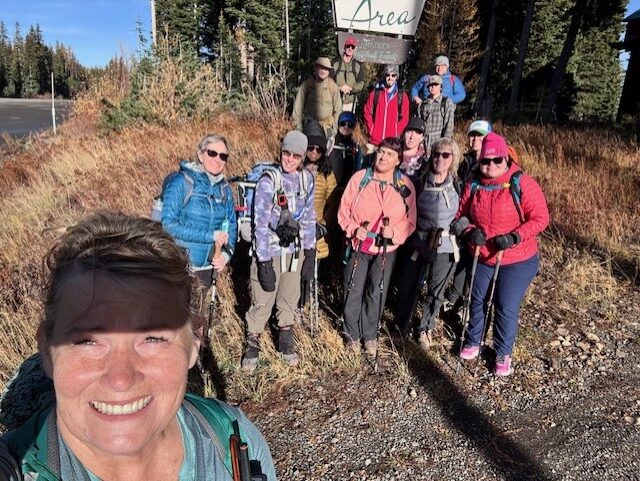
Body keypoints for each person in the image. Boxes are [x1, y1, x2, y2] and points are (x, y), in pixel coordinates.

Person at [0, 212, 277, 480]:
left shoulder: (236, 439)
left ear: (195, 341)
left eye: (153, 338)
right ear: (47, 350)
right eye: (87, 341)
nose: (121, 379)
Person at [453, 132, 549, 377]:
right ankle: (474, 340)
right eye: (486, 161)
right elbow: (460, 216)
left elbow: (540, 218)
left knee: (505, 305)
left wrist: (515, 237)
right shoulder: (474, 184)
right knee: (477, 298)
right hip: (483, 254)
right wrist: (469, 231)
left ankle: (503, 352)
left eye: (497, 160)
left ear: (506, 159)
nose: (491, 165)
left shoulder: (522, 183)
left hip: (517, 259)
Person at [242, 131, 316, 372]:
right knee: (262, 299)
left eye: (296, 155)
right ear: (281, 151)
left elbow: (309, 217)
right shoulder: (268, 181)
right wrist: (263, 262)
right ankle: (253, 344)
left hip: (294, 252)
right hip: (270, 251)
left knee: (289, 297)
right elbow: (260, 224)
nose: (290, 159)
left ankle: (285, 342)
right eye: (286, 153)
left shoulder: (306, 180)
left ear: (303, 157)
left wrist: (310, 251)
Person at [338, 137, 417, 354]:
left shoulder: (405, 185)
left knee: (376, 291)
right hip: (358, 244)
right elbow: (343, 211)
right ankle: (351, 334)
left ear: (398, 160)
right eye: (381, 152)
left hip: (386, 248)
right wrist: (354, 229)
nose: (383, 157)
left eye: (390, 154)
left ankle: (370, 335)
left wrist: (395, 233)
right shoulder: (360, 178)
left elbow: (410, 220)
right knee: (353, 289)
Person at [392, 138, 462, 347]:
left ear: (453, 159)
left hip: (446, 244)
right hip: (420, 241)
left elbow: (466, 209)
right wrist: (415, 240)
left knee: (436, 291)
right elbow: (407, 211)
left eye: (445, 155)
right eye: (436, 154)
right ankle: (401, 326)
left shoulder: (458, 184)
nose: (440, 158)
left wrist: (464, 223)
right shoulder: (420, 182)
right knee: (408, 286)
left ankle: (425, 328)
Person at [161, 134, 238, 313]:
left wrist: (226, 254)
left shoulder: (225, 190)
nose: (218, 159)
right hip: (179, 267)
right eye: (212, 153)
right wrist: (210, 236)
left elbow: (231, 226)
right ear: (200, 155)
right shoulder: (181, 182)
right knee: (175, 318)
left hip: (206, 269)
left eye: (223, 156)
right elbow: (169, 226)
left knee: (197, 319)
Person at [445, 119, 492, 309]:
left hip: (480, 221)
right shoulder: (466, 162)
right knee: (462, 259)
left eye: (480, 135)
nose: (475, 139)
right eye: (472, 135)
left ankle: (466, 302)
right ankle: (455, 298)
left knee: (474, 264)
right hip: (462, 217)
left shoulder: (492, 164)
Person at [299, 120, 336, 305]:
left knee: (308, 273)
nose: (314, 152)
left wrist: (323, 225)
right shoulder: (295, 168)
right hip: (295, 229)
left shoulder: (327, 173)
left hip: (317, 232)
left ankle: (302, 304)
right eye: (310, 147)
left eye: (318, 149)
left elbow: (333, 201)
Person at [363, 65, 410, 155]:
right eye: (387, 75)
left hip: (391, 143)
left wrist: (396, 131)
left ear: (396, 77)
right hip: (375, 141)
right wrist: (372, 129)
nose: (390, 78)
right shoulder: (375, 93)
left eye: (393, 75)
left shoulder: (402, 96)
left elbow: (405, 118)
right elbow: (367, 112)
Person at [292, 57, 342, 137]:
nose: (323, 71)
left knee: (329, 143)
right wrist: (298, 127)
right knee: (311, 143)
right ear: (315, 68)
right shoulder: (307, 85)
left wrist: (334, 129)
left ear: (329, 71)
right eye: (321, 67)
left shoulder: (333, 87)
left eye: (326, 69)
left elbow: (338, 110)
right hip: (310, 125)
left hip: (328, 127)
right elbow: (297, 108)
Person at [416, 75, 455, 152]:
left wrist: (444, 144)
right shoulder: (422, 104)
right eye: (430, 85)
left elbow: (449, 126)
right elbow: (418, 126)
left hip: (438, 143)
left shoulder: (446, 103)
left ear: (441, 87)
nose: (433, 87)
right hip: (423, 144)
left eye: (436, 84)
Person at [327, 111, 364, 188]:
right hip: (331, 183)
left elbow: (358, 167)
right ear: (338, 124)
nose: (346, 127)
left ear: (353, 127)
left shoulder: (355, 144)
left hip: (347, 185)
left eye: (350, 125)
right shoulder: (332, 140)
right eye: (343, 123)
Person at [332, 36, 365, 112]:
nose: (350, 49)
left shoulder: (358, 65)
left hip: (350, 102)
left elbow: (361, 83)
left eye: (352, 47)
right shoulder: (335, 63)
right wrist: (339, 88)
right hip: (335, 100)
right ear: (344, 47)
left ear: (354, 49)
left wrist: (351, 89)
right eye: (348, 46)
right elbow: (329, 80)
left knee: (348, 120)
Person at [399, 117, 428, 188]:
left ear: (422, 138)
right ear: (403, 133)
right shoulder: (392, 154)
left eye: (417, 133)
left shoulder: (425, 162)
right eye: (409, 132)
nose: (412, 137)